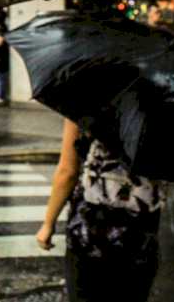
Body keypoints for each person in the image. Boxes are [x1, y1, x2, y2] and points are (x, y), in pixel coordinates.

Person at [36, 119, 167, 302]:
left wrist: (48, 223)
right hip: (141, 229)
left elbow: (68, 171)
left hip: (91, 228)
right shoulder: (164, 108)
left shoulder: (85, 102)